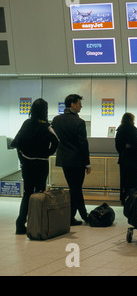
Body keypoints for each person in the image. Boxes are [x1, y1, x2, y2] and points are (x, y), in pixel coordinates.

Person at [10, 98, 59, 234]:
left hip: (28, 164)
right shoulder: (47, 126)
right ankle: (37, 223)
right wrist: (47, 153)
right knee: (40, 193)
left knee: (27, 194)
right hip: (42, 164)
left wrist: (23, 158)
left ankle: (20, 224)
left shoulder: (26, 123)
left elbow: (16, 143)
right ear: (45, 111)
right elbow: (56, 141)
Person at [51, 94, 91, 226]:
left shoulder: (56, 120)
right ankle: (70, 217)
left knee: (75, 188)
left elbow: (54, 138)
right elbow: (82, 144)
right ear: (72, 104)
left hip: (64, 160)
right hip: (77, 161)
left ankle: (84, 215)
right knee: (76, 189)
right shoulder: (79, 122)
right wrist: (87, 163)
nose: (81, 106)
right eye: (79, 103)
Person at [115, 112, 137, 205]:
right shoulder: (133, 129)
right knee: (133, 180)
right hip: (133, 159)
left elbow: (117, 145)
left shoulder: (119, 129)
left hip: (123, 159)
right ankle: (132, 199)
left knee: (124, 180)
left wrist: (122, 152)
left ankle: (123, 199)